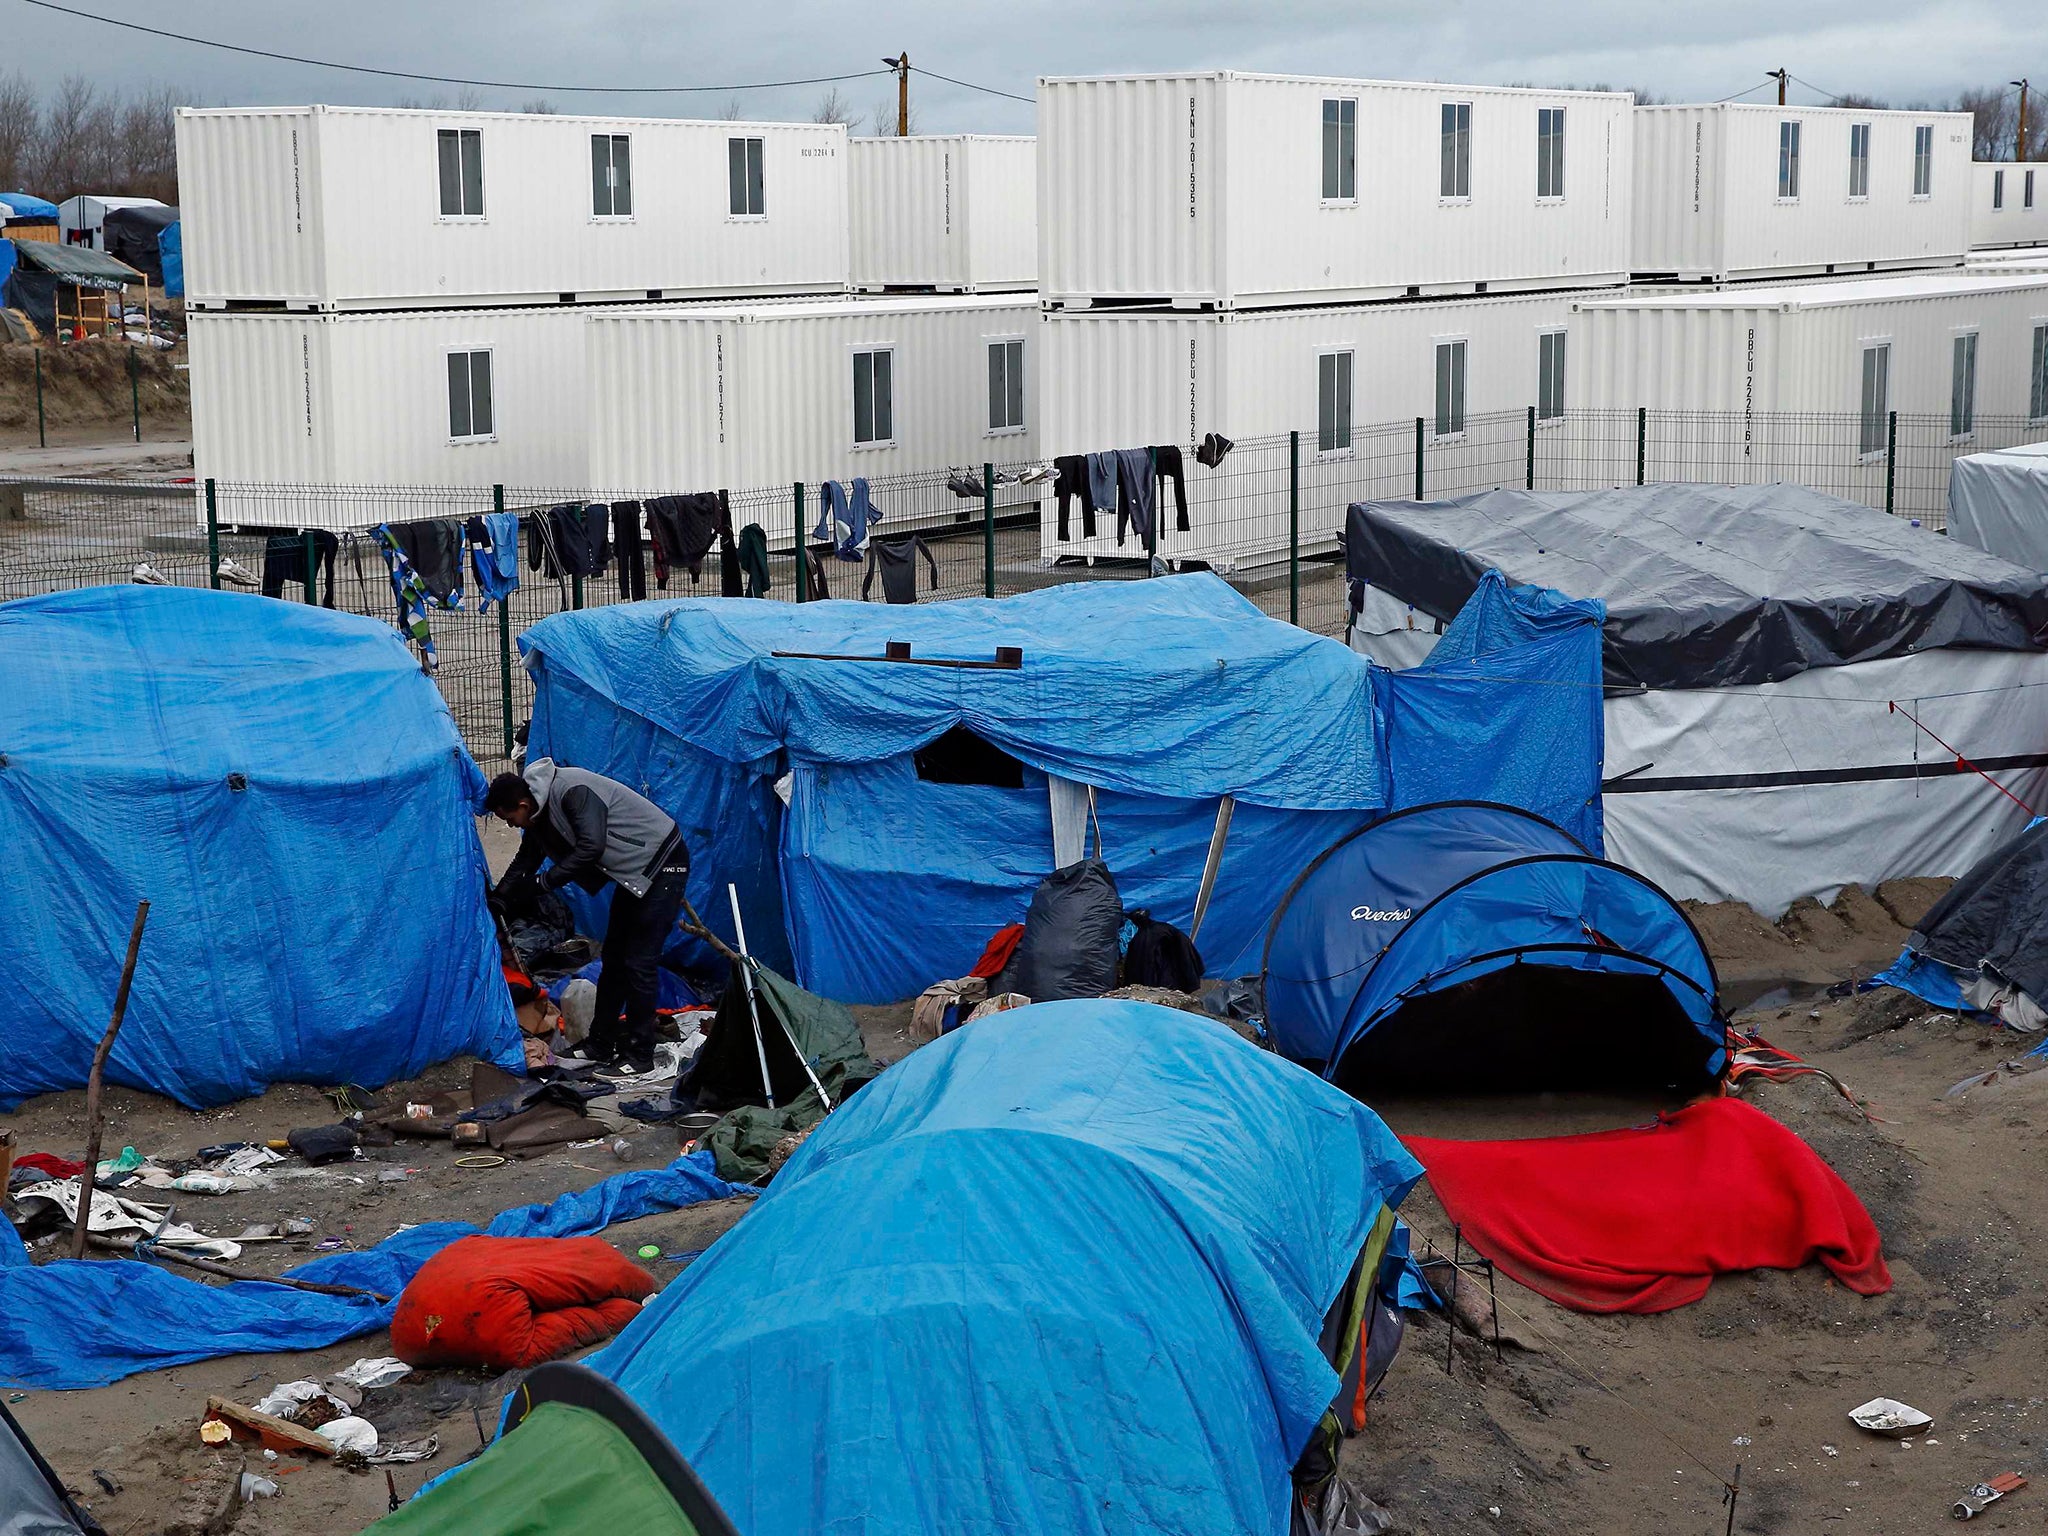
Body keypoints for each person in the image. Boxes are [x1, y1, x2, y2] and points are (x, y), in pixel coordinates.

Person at [483, 759, 689, 1074]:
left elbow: (592, 846)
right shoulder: (539, 813)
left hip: (662, 864)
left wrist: (545, 882)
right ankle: (600, 1044)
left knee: (639, 962)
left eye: (510, 819)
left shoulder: (571, 791)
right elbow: (526, 859)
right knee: (614, 959)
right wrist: (500, 899)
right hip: (634, 874)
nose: (512, 826)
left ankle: (640, 1056)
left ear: (523, 804)